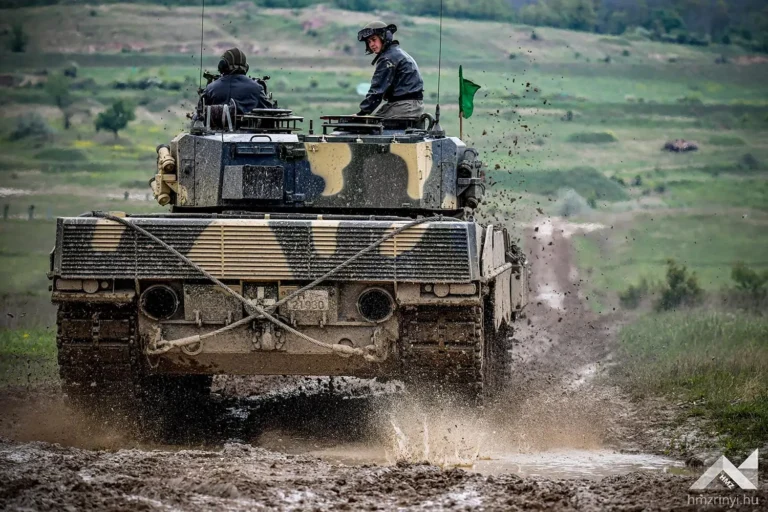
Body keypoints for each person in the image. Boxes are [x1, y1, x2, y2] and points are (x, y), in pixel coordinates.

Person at [356, 21, 424, 119]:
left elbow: (377, 90)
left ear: (383, 37)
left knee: (368, 125)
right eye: (369, 42)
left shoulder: (388, 58)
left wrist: (362, 112)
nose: (371, 44)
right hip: (411, 105)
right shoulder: (396, 53)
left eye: (374, 39)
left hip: (404, 106)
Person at [200, 48, 272, 114]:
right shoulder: (257, 88)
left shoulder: (210, 89)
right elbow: (270, 112)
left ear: (222, 66)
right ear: (246, 67)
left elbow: (200, 114)